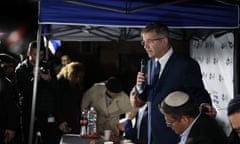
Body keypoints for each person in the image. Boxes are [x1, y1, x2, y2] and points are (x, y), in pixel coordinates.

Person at [134, 22, 213, 144]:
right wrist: (140, 86)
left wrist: (204, 105)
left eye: (150, 41)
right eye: (144, 42)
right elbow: (146, 98)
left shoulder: (186, 65)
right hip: (152, 135)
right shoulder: (149, 65)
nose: (145, 46)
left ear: (164, 41)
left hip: (174, 136)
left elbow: (199, 95)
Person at [15, 40, 57, 144]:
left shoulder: (46, 67)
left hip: (45, 111)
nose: (39, 58)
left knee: (49, 139)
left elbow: (56, 89)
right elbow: (23, 91)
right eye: (35, 55)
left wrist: (48, 80)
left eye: (41, 55)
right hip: (29, 111)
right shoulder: (21, 69)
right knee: (28, 139)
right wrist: (35, 79)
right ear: (29, 54)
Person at [159, 91, 228, 144]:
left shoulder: (202, 139)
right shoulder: (200, 121)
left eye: (170, 123)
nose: (169, 126)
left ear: (184, 120)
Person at [55, 61, 85, 141]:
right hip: (63, 118)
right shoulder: (61, 83)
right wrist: (61, 120)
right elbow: (57, 103)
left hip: (73, 118)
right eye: (76, 76)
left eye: (80, 77)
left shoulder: (75, 84)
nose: (78, 79)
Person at [0, 53, 20, 144]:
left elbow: (11, 105)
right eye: (9, 67)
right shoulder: (5, 82)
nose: (12, 70)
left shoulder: (6, 82)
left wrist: (11, 126)